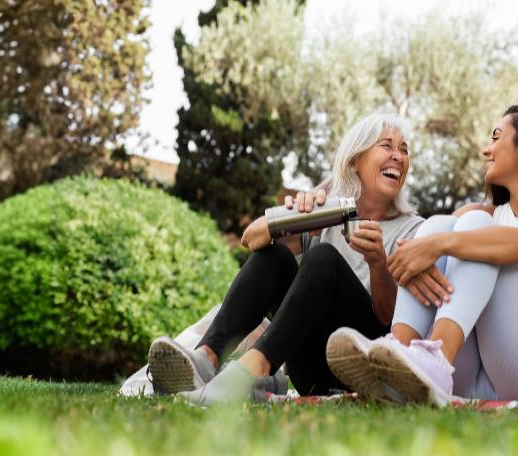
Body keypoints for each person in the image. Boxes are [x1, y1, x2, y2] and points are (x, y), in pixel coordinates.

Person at [326, 105, 518, 405]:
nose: (487, 150)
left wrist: (442, 245)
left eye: (497, 137)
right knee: (440, 223)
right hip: (477, 378)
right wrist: (429, 246)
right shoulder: (483, 213)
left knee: (470, 228)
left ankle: (436, 357)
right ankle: (397, 358)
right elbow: (434, 241)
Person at [148, 113, 425, 405]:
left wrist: (378, 263)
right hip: (310, 366)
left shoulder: (414, 230)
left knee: (322, 258)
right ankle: (205, 359)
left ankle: (249, 373)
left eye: (404, 150)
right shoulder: (328, 211)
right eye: (387, 146)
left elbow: (394, 322)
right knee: (276, 254)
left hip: (363, 365)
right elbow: (250, 239)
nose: (398, 156)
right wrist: (294, 219)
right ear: (355, 160)